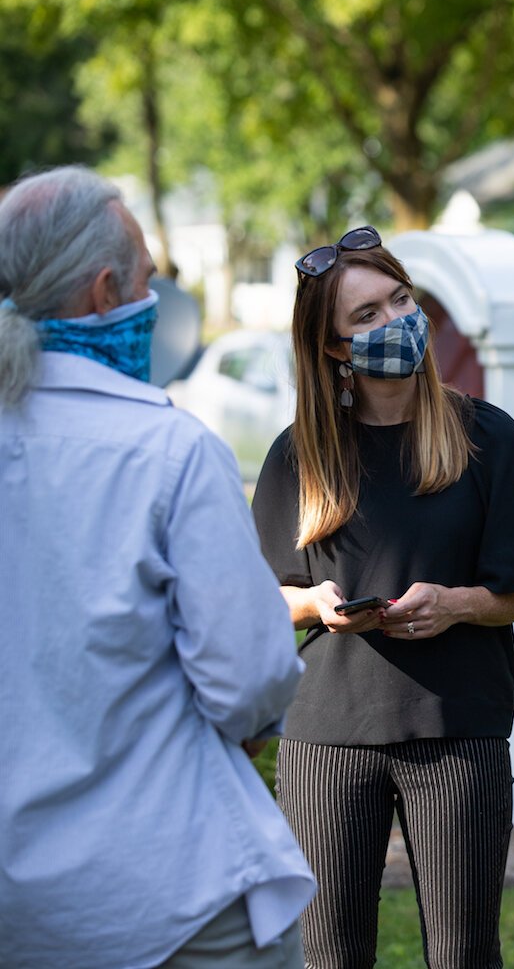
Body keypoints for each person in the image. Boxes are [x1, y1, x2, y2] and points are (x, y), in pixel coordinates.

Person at [0, 166, 313, 966]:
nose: (153, 296)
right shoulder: (168, 451)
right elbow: (246, 677)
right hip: (166, 894)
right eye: (145, 278)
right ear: (105, 293)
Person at [251, 227, 514, 968]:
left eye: (401, 300)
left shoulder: (487, 437)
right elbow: (259, 601)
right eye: (366, 316)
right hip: (326, 735)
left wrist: (458, 605)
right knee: (328, 955)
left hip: (458, 731)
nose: (395, 322)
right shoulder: (299, 455)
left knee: (463, 955)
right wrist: (313, 606)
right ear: (332, 347)